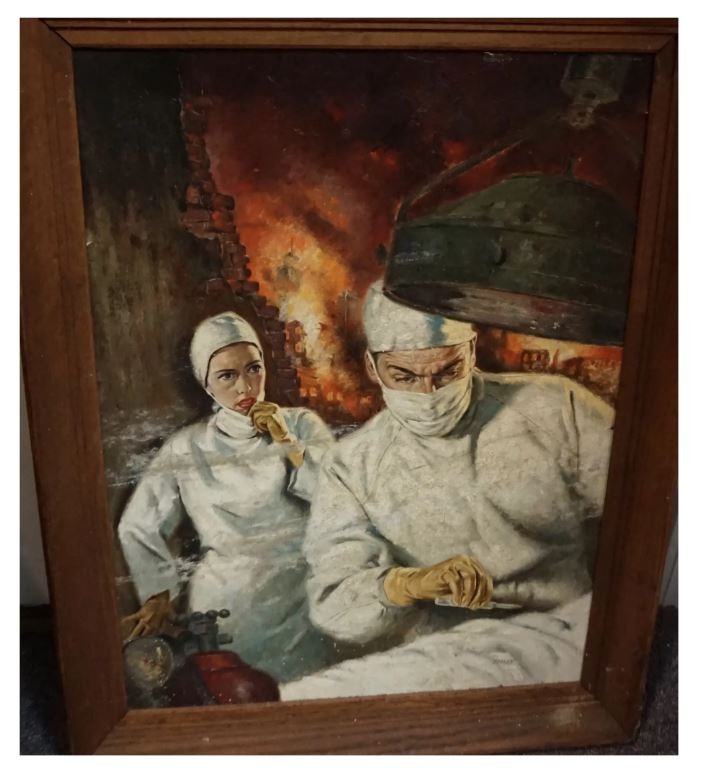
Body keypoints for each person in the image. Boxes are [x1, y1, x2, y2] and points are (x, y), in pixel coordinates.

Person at [295, 281, 613, 694]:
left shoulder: (555, 408)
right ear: (373, 368)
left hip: (563, 628)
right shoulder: (352, 465)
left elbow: (643, 512)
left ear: (472, 351)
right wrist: (410, 583)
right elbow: (334, 602)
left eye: (448, 372)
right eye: (404, 376)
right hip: (442, 653)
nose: (429, 394)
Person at [118, 311, 335, 682]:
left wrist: (287, 441)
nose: (245, 387)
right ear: (206, 384)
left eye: (253, 369)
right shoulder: (188, 446)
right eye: (227, 376)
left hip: (301, 602)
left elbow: (339, 501)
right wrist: (159, 594)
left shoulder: (301, 424)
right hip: (228, 606)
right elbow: (137, 524)